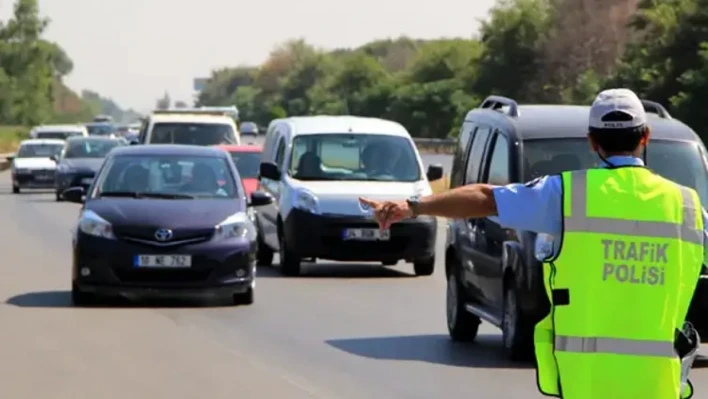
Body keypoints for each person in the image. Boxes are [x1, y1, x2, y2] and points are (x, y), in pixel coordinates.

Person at [359, 88, 706, 399]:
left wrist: (412, 206)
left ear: (591, 141)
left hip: (587, 383)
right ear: (645, 137)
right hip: (657, 384)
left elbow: (483, 197)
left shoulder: (567, 195)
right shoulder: (688, 206)